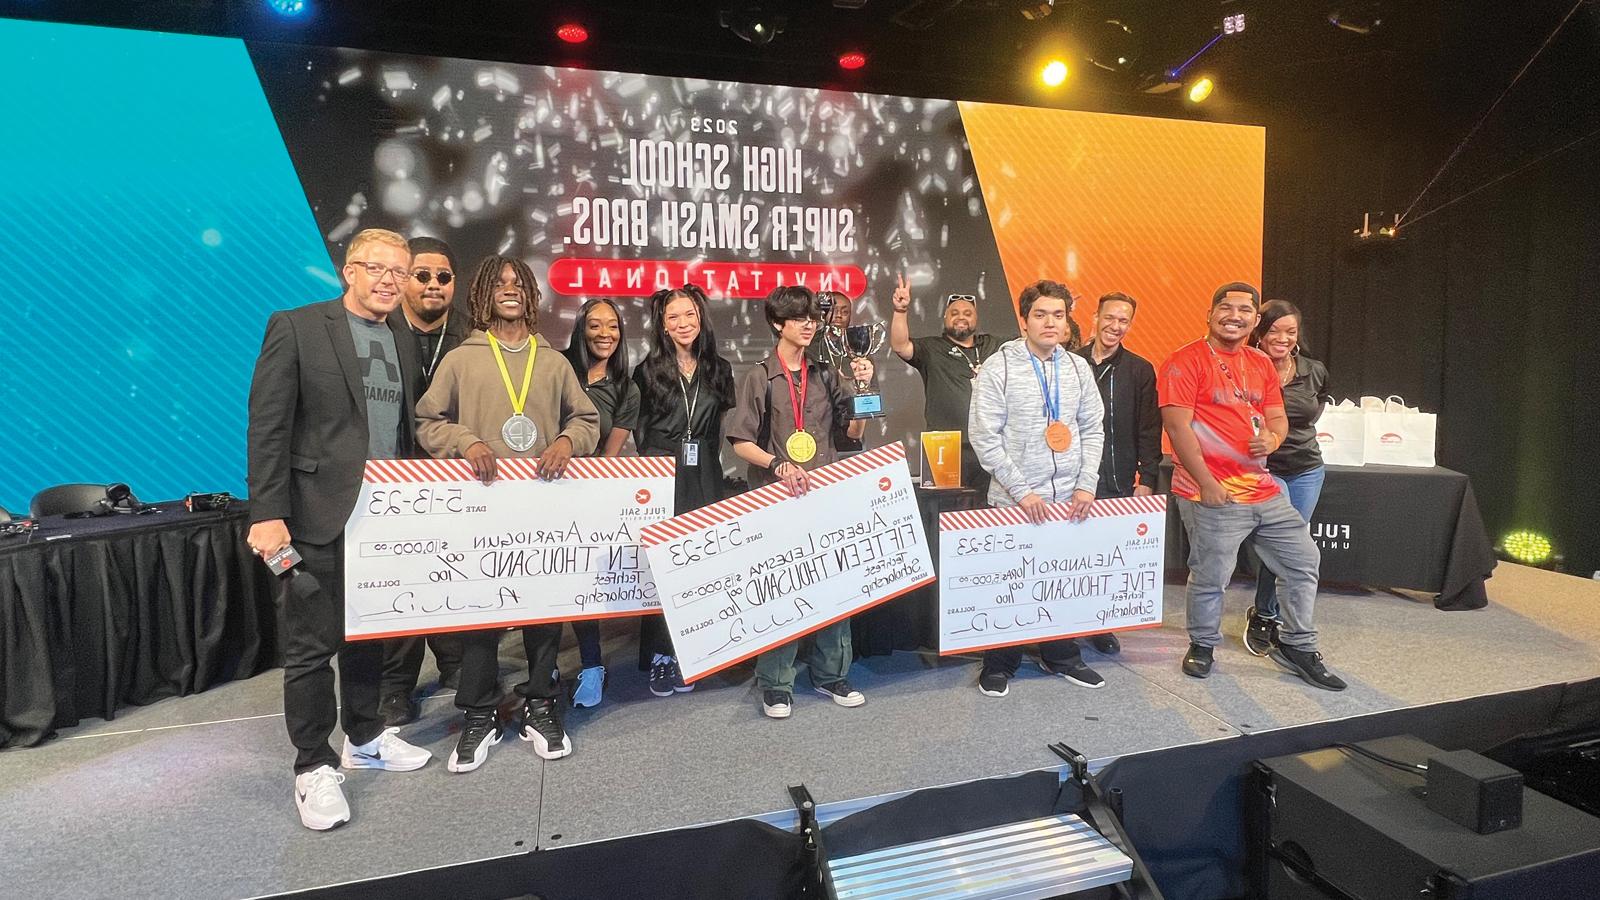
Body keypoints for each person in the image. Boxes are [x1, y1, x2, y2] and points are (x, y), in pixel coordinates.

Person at [246, 227, 434, 831]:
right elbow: (268, 428)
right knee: (309, 650)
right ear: (348, 270)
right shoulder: (297, 326)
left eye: (399, 273)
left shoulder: (402, 337)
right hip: (314, 516)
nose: (389, 281)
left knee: (367, 637)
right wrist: (267, 513)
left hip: (383, 520)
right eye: (376, 268)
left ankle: (366, 738)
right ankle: (312, 766)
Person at [415, 256, 600, 773]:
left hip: (542, 508)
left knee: (544, 609)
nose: (510, 290)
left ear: (531, 295)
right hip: (482, 508)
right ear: (482, 295)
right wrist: (465, 441)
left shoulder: (554, 361)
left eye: (519, 284)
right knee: (481, 613)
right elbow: (428, 420)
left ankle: (540, 701)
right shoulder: (462, 358)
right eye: (498, 284)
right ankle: (479, 711)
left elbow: (586, 418)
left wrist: (567, 440)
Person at [1158, 282, 1346, 691]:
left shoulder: (1259, 363)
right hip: (1210, 490)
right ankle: (1203, 644)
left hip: (1262, 489)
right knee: (1211, 576)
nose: (1236, 315)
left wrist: (1274, 440)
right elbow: (1177, 427)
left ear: (1255, 320)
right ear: (1209, 314)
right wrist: (1206, 482)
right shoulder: (1183, 361)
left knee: (1303, 561)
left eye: (1246, 309)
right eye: (1226, 307)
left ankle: (1297, 644)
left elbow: (1277, 418)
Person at [727, 285, 868, 719]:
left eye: (813, 317)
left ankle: (831, 674)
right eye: (798, 317)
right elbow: (739, 442)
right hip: (777, 499)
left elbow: (853, 436)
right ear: (777, 323)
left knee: (834, 584)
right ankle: (775, 682)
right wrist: (778, 465)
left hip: (825, 496)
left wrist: (863, 387)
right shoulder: (759, 375)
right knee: (781, 589)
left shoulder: (826, 374)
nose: (809, 324)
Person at [968, 280, 1107, 697]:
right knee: (1010, 585)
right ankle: (1000, 662)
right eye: (1041, 315)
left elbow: (1092, 429)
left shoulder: (1079, 368)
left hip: (1069, 500)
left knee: (1062, 582)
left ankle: (1061, 655)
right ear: (1024, 320)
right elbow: (984, 437)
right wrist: (1022, 491)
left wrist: (1086, 485)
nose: (1050, 323)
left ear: (1067, 321)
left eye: (1058, 315)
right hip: (1014, 501)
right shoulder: (1000, 366)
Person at [379, 235, 471, 727]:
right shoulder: (378, 327)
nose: (433, 285)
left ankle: (456, 664)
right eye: (423, 275)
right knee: (403, 583)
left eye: (443, 277)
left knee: (454, 571)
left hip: (453, 474)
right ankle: (396, 687)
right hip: (393, 476)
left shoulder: (471, 335)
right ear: (404, 279)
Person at [631, 285, 736, 697]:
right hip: (663, 470)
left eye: (689, 315)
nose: (683, 324)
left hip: (706, 471)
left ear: (701, 318)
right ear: (662, 324)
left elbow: (722, 424)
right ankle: (660, 656)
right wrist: (657, 468)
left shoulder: (719, 368)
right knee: (664, 565)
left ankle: (697, 648)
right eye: (673, 317)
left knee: (703, 562)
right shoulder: (647, 370)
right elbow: (638, 430)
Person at [559, 297, 641, 707]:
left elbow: (607, 459)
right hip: (543, 488)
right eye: (595, 325)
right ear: (580, 329)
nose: (604, 334)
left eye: (612, 326)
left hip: (586, 494)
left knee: (580, 581)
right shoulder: (555, 367)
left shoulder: (627, 388)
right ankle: (547, 667)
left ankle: (592, 665)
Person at [1073, 291, 1162, 657]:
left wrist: (1148, 479)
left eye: (1124, 321)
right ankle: (1059, 625)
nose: (1116, 326)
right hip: (1069, 479)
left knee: (1103, 557)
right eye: (1110, 318)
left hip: (1116, 479)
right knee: (1068, 554)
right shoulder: (1070, 362)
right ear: (1095, 317)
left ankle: (1099, 624)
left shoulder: (1140, 370)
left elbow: (1149, 429)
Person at [1243, 300, 1332, 656]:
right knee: (1282, 540)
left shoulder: (1314, 370)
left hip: (1308, 468)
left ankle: (1272, 614)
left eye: (1290, 331)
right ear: (1260, 333)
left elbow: (1318, 405)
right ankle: (1265, 614)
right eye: (1274, 330)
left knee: (1292, 547)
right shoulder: (1245, 367)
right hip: (1265, 469)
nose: (1282, 338)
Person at [888, 275, 1008, 495]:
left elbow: (1029, 346)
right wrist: (901, 311)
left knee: (987, 508)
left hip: (989, 444)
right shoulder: (931, 348)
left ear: (976, 318)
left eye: (967, 313)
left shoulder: (993, 345)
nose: (960, 317)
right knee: (942, 509)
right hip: (942, 444)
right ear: (944, 318)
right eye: (954, 313)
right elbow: (900, 344)